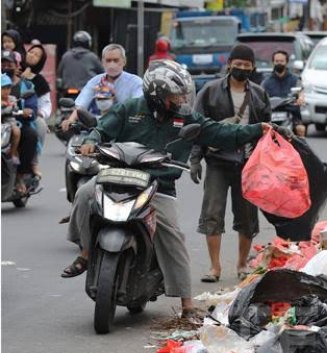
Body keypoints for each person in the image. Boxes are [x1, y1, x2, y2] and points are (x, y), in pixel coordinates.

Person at [60, 60, 274, 318]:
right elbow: (102, 129)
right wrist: (91, 141)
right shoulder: (131, 109)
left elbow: (220, 132)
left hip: (158, 184)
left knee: (172, 236)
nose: (180, 100)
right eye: (175, 95)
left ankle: (187, 304)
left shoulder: (186, 119)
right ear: (156, 95)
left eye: (182, 95)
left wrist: (255, 130)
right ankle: (84, 252)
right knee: (84, 194)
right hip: (119, 174)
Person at [189, 44, 270, 283]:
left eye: (247, 65)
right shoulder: (210, 91)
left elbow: (267, 131)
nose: (242, 68)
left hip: (248, 163)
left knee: (247, 217)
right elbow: (197, 127)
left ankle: (243, 264)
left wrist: (265, 164)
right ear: (229, 64)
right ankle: (215, 268)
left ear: (253, 67)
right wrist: (195, 159)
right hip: (217, 161)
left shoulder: (258, 94)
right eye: (238, 64)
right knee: (212, 214)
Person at [61, 44, 142, 130]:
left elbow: (138, 106)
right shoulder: (95, 81)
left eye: (116, 60)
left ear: (124, 61)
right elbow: (81, 105)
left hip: (127, 129)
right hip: (100, 129)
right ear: (103, 62)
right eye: (108, 60)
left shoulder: (135, 82)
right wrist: (70, 120)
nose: (112, 64)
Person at [2, 50, 39, 193]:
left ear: (17, 65)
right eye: (2, 63)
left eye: (9, 63)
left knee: (30, 135)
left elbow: (32, 108)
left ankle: (20, 175)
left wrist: (27, 112)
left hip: (17, 123)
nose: (5, 66)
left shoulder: (27, 86)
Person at [22, 44, 52, 176]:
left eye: (37, 55)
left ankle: (33, 161)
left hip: (28, 116)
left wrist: (40, 113)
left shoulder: (39, 82)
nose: (32, 55)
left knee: (40, 124)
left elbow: (46, 105)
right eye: (31, 52)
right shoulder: (11, 72)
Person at [261, 50, 306, 137]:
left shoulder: (295, 79)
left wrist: (301, 99)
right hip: (271, 115)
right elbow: (260, 96)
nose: (279, 63)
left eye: (281, 61)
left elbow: (301, 92)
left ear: (286, 62)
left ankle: (300, 150)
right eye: (276, 61)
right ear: (273, 62)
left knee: (301, 129)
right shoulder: (266, 82)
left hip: (292, 114)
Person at [1, 74, 22, 166]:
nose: (6, 91)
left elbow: (15, 109)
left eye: (8, 88)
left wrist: (12, 107)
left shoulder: (12, 99)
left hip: (9, 122)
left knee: (17, 131)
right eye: (3, 88)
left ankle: (13, 153)